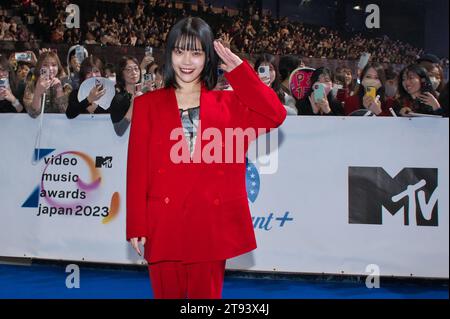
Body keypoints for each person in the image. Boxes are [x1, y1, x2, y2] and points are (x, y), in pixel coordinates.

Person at [126, 17, 286, 299]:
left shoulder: (230, 104)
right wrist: (137, 224)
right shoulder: (145, 105)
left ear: (208, 58)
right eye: (179, 51)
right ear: (169, 54)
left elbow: (275, 115)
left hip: (210, 225)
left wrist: (240, 72)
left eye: (196, 52)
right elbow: (137, 170)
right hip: (163, 224)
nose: (187, 61)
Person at [23, 51, 69, 117]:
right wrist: (38, 92)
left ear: (58, 67)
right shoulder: (31, 84)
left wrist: (59, 90)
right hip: (37, 125)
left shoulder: (65, 83)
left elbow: (66, 112)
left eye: (53, 65)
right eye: (45, 65)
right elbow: (33, 114)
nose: (50, 69)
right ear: (39, 67)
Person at [109, 56, 143, 136]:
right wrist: (134, 104)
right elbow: (119, 131)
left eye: (136, 69)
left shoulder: (146, 94)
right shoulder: (118, 99)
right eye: (129, 69)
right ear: (121, 74)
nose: (134, 72)